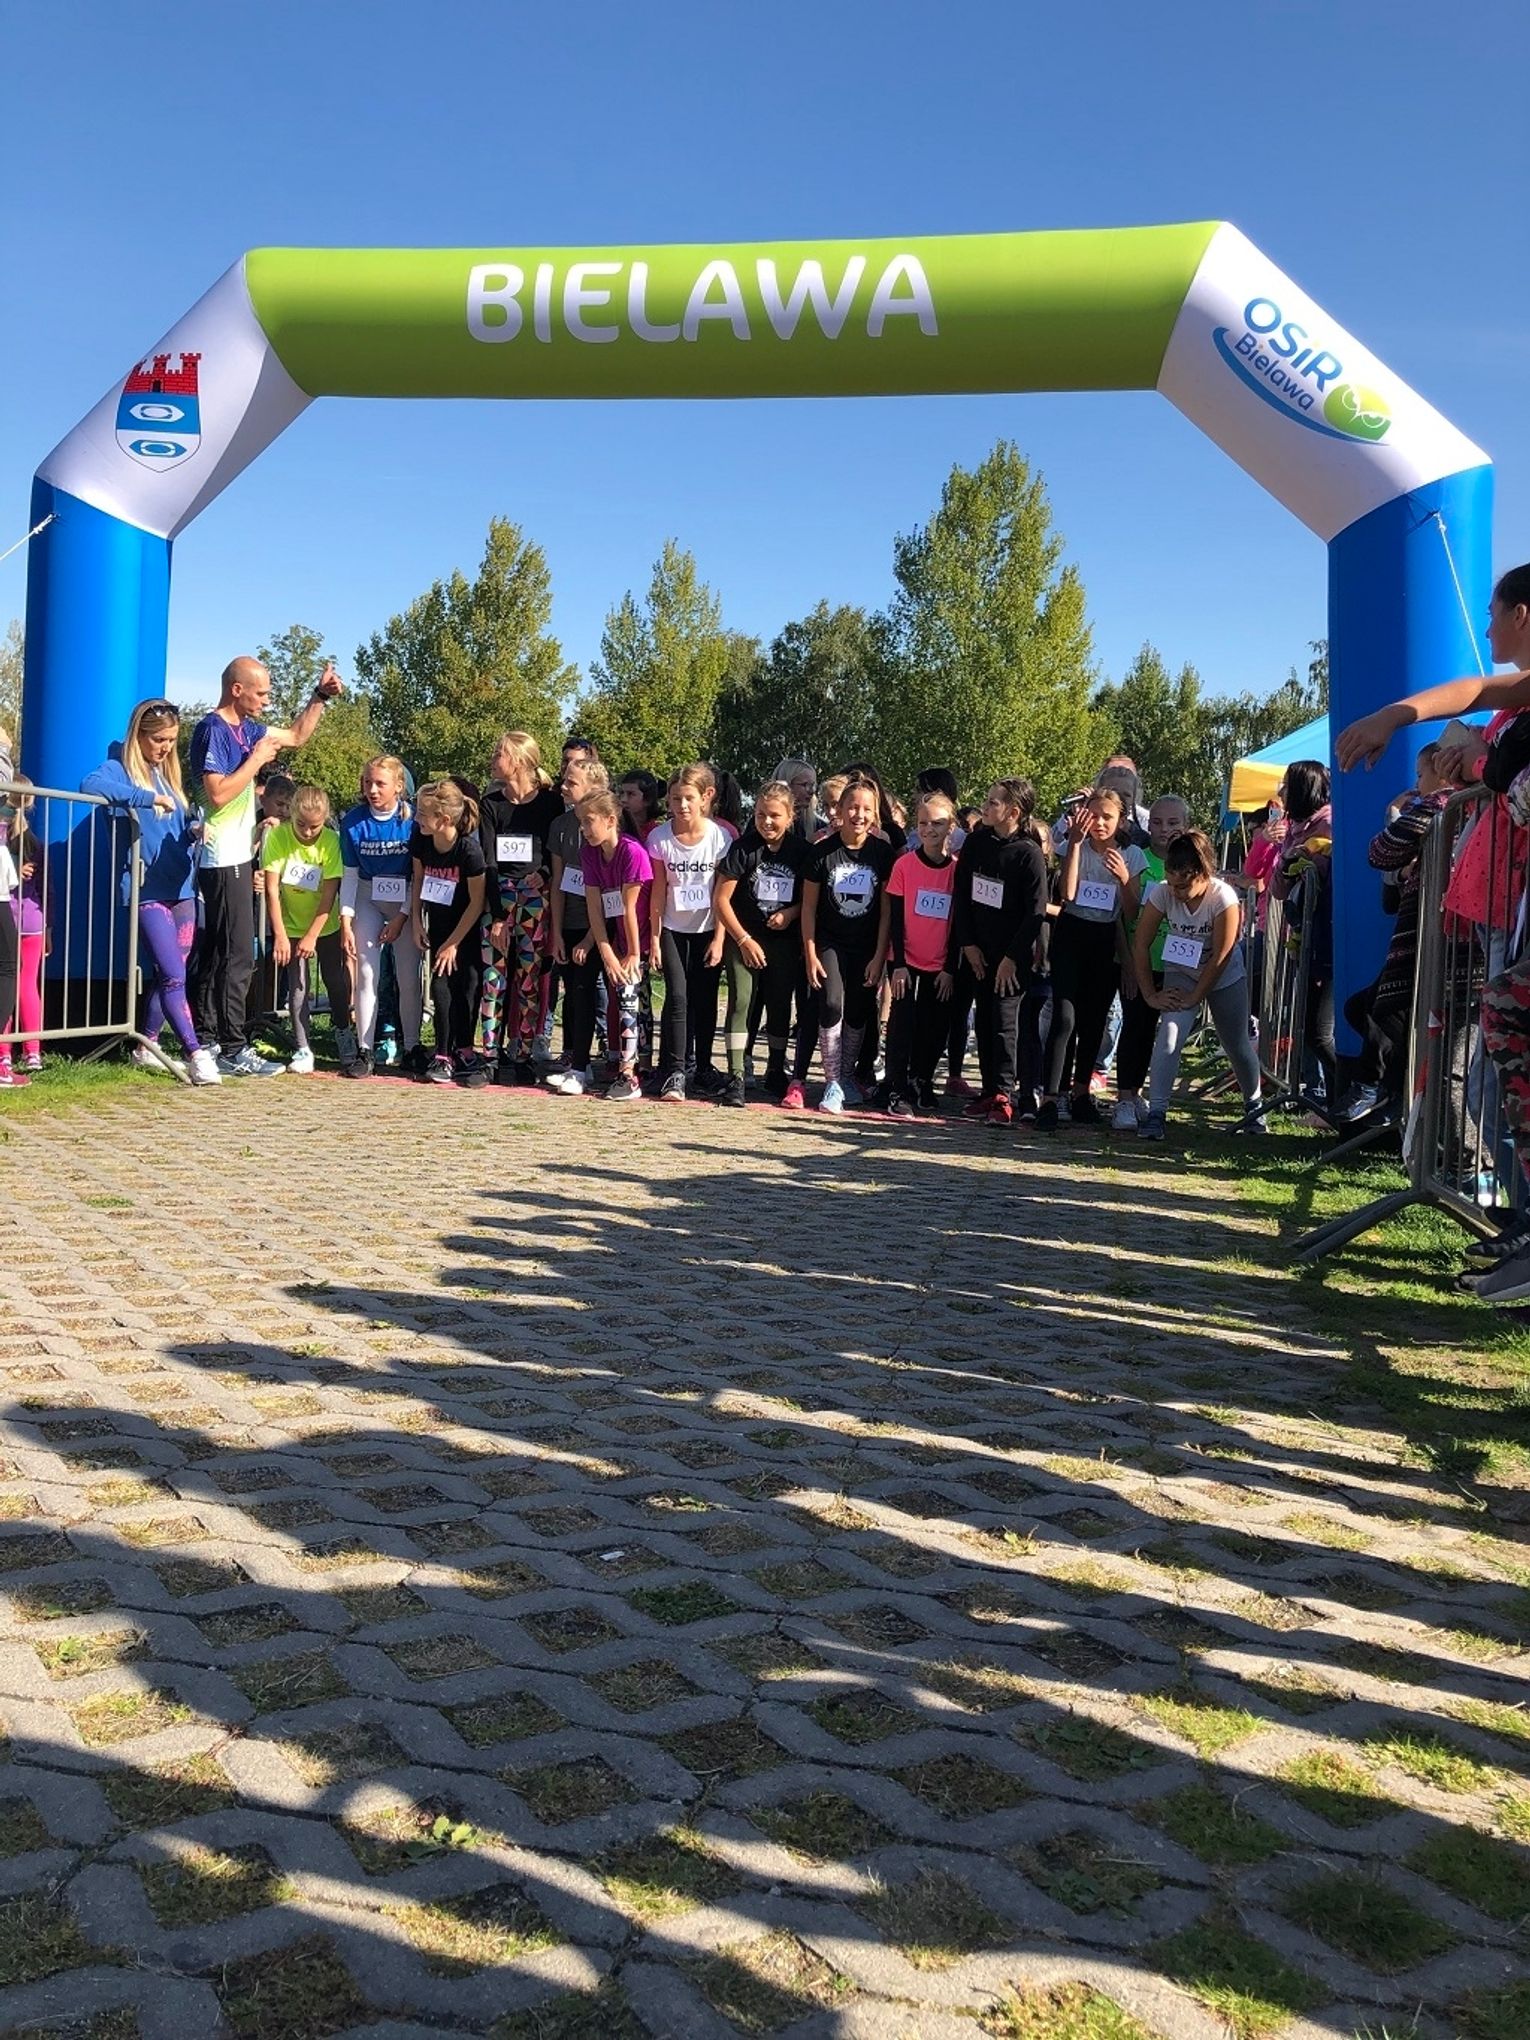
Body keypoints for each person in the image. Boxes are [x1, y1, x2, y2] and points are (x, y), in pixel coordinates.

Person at [1338, 560, 1530, 1301]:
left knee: (1499, 1019)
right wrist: (1395, 718)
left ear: (1522, 613)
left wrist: (1486, 765)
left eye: (1494, 612)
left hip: (1506, 902)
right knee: (1503, 1015)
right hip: (1507, 910)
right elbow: (1476, 690)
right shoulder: (1518, 690)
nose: (1486, 626)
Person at [186, 655, 342, 1076]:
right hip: (221, 857)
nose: (266, 701)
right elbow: (217, 795)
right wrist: (255, 760)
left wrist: (320, 696)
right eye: (261, 693)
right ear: (236, 690)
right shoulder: (212, 729)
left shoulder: (248, 727)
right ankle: (230, 1047)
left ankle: (212, 1041)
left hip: (239, 854)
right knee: (235, 955)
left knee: (227, 953)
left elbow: (295, 736)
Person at [81, 699, 221, 1086]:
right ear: (139, 736)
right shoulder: (120, 768)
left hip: (182, 887)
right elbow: (89, 785)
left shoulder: (168, 774)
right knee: (173, 975)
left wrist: (196, 828)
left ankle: (148, 1045)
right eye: (159, 739)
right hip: (146, 891)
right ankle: (195, 1054)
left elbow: (181, 822)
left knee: (170, 974)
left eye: (172, 740)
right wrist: (146, 797)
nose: (165, 747)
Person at [1334, 744, 1459, 1123]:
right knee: (1367, 1008)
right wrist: (1406, 871)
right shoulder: (1455, 809)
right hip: (1424, 937)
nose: (1417, 785)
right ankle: (1391, 1090)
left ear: (1441, 771)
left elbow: (1381, 852)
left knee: (1386, 1012)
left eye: (1420, 775)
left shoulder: (1442, 804)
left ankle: (1377, 1088)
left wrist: (1392, 817)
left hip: (1430, 939)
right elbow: (1390, 892)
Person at [1131, 828, 1264, 1141]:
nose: (1176, 893)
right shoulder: (1162, 893)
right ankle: (1157, 1112)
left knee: (1236, 1043)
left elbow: (1221, 955)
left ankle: (1255, 1107)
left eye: (1184, 886)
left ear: (1203, 874)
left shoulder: (1223, 897)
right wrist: (1150, 994)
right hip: (1181, 971)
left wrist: (1196, 996)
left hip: (1224, 976)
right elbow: (1141, 943)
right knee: (1169, 1036)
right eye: (1171, 884)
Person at [1037, 786, 1146, 1129]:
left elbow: (1131, 913)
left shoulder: (1132, 855)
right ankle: (1051, 1097)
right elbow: (1067, 894)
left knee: (1094, 1021)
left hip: (1105, 939)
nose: (1099, 823)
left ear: (1121, 821)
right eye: (1093, 815)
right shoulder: (1076, 845)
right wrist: (1075, 844)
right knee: (1064, 1017)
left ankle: (1081, 1092)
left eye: (1107, 817)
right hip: (1071, 934)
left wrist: (1124, 879)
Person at [949, 779, 1049, 1126]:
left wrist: (1011, 958)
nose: (986, 807)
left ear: (1013, 812)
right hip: (978, 951)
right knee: (984, 1021)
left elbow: (1035, 913)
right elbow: (961, 895)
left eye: (993, 802)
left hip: (1012, 957)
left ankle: (1005, 1094)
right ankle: (989, 1090)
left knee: (1006, 1025)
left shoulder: (1028, 853)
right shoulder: (977, 842)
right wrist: (968, 944)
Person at [799, 774, 894, 1113]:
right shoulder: (821, 852)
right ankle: (832, 1082)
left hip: (867, 946)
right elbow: (808, 908)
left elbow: (886, 913)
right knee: (832, 1003)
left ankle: (847, 1075)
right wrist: (810, 952)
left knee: (858, 1010)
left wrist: (880, 956)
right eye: (852, 807)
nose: (859, 815)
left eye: (867, 809)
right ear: (839, 810)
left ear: (875, 813)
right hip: (830, 943)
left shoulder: (883, 854)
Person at [713, 779, 807, 1107]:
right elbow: (721, 900)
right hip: (744, 937)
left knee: (779, 1003)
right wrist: (742, 939)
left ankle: (776, 1069)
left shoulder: (801, 851)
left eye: (775, 816)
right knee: (742, 1000)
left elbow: (811, 900)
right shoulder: (743, 849)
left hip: (783, 940)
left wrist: (791, 914)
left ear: (790, 817)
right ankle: (737, 1074)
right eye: (760, 815)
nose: (767, 822)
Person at [480, 732, 564, 1086]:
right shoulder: (490, 804)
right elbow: (488, 861)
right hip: (498, 898)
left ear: (518, 761)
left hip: (534, 898)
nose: (493, 759)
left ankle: (525, 1054)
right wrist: (498, 915)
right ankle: (489, 1054)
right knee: (494, 978)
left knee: (529, 979)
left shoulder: (550, 803)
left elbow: (553, 854)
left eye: (499, 753)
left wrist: (541, 875)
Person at [648, 764, 731, 1102]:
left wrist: (720, 938)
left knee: (705, 999)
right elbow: (658, 891)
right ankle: (675, 1071)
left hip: (708, 929)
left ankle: (704, 1066)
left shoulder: (720, 838)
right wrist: (654, 939)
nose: (681, 805)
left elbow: (723, 892)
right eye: (675, 799)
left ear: (705, 798)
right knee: (678, 997)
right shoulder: (659, 838)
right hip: (672, 928)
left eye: (688, 798)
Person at [338, 755, 423, 1080]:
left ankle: (412, 1046)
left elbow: (417, 875)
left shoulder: (413, 821)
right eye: (367, 783)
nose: (372, 790)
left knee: (408, 976)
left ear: (398, 786)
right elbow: (349, 874)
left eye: (380, 784)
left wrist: (403, 916)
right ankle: (365, 1048)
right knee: (366, 973)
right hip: (367, 895)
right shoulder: (353, 822)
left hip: (405, 897)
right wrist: (346, 920)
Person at [260, 785, 355, 1074]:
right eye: (301, 824)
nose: (307, 832)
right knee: (298, 985)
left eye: (315, 826)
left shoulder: (330, 840)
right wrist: (280, 934)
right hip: (290, 924)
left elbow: (329, 893)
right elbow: (272, 889)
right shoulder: (278, 837)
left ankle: (343, 1030)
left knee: (334, 981)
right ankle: (303, 1047)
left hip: (324, 924)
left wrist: (312, 934)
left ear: (324, 820)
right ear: (291, 814)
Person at [1112, 794, 1189, 1131]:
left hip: (1176, 966)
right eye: (1156, 822)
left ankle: (1140, 1094)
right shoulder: (1137, 859)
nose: (1164, 830)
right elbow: (1122, 915)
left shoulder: (1193, 864)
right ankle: (1124, 1099)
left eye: (1173, 823)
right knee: (1135, 1028)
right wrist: (1127, 962)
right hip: (1139, 960)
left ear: (1185, 826)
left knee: (1160, 1035)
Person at [883, 791, 959, 1118]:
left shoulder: (957, 871)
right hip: (905, 960)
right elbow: (895, 918)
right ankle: (896, 1087)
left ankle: (922, 1079)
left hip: (941, 964)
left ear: (951, 827)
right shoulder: (904, 865)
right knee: (902, 1024)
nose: (929, 829)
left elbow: (959, 923)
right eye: (923, 823)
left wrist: (950, 968)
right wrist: (899, 964)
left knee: (935, 1026)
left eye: (937, 823)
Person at [409, 779, 488, 1087]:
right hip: (438, 926)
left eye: (422, 814)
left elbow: (476, 902)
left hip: (465, 930)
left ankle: (465, 1048)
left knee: (466, 988)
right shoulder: (421, 840)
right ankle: (442, 1053)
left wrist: (454, 943)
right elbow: (418, 880)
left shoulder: (469, 850)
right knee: (440, 988)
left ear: (443, 819)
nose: (417, 818)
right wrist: (417, 922)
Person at [578, 788, 652, 1101]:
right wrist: (607, 952)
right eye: (581, 822)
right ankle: (637, 1066)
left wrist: (633, 953)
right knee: (630, 1000)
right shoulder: (590, 853)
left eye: (589, 821)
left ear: (610, 820)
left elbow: (630, 908)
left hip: (641, 936)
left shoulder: (632, 852)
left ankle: (629, 1074)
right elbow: (594, 908)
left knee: (629, 999)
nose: (584, 828)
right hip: (615, 937)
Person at [1270, 760, 1336, 1110]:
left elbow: (1322, 879)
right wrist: (1287, 863)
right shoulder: (1293, 829)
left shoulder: (1330, 824)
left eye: (1286, 785)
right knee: (1308, 1026)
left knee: (1319, 1030)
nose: (1281, 791)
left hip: (1327, 938)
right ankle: (1322, 1095)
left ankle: (1339, 1095)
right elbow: (1279, 888)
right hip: (1302, 936)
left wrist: (1307, 860)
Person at [546, 753, 609, 1094]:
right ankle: (575, 1059)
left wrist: (590, 936)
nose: (563, 786)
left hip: (601, 925)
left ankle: (586, 1067)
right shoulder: (559, 825)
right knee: (573, 994)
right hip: (568, 921)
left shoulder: (605, 826)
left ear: (594, 787)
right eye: (564, 779)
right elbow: (557, 881)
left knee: (588, 992)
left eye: (572, 782)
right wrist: (556, 932)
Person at [5, 778, 47, 1075]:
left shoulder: (6, 842)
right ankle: (33, 1052)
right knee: (27, 985)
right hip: (33, 920)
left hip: (7, 918)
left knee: (5, 985)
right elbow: (48, 889)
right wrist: (50, 928)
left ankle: (4, 1052)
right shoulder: (35, 843)